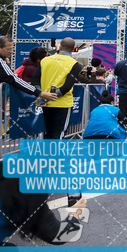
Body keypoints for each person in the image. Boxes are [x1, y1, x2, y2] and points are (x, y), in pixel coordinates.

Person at [32, 38, 84, 206]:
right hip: (62, 103)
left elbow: (34, 80)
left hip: (44, 101)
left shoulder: (46, 60)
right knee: (58, 135)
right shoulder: (74, 63)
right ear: (73, 48)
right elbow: (68, 85)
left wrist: (43, 94)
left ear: (59, 46)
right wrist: (57, 94)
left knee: (47, 133)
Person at [0, 36, 54, 129]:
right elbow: (14, 79)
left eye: (12, 49)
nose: (12, 52)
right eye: (8, 49)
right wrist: (40, 93)